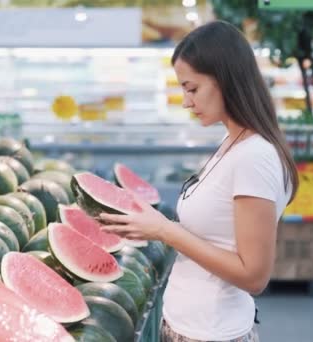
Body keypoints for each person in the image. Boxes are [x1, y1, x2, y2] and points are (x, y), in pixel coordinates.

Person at [100, 20, 299, 342]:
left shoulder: (254, 157)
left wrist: (165, 230)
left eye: (192, 88)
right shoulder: (232, 144)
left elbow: (254, 276)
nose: (186, 101)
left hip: (212, 333)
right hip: (190, 327)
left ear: (226, 80)